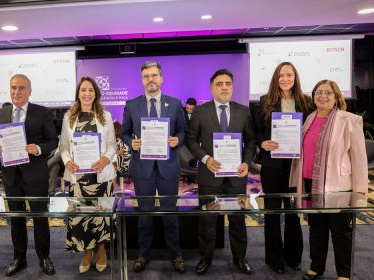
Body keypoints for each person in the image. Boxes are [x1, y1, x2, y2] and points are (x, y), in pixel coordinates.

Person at [289, 80, 369, 280]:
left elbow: (359, 159)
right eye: (318, 92)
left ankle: (343, 273)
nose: (322, 96)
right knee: (317, 230)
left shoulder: (349, 120)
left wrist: (360, 193)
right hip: (310, 184)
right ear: (313, 96)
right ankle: (317, 267)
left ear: (336, 97)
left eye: (328, 92)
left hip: (338, 187)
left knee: (340, 232)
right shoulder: (309, 118)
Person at [186, 68, 256, 275]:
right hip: (209, 175)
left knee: (237, 219)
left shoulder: (243, 111)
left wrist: (246, 161)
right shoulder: (200, 111)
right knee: (207, 220)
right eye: (219, 84)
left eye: (228, 84)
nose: (224, 87)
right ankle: (205, 259)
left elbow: (251, 140)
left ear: (232, 87)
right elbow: (191, 140)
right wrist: (205, 159)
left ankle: (240, 259)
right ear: (211, 88)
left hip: (237, 175)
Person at [0, 74, 58, 276]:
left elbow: (52, 142)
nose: (16, 92)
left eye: (21, 88)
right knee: (17, 218)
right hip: (11, 176)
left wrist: (37, 148)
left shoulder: (42, 112)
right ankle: (19, 258)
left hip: (35, 175)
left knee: (40, 218)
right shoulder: (1, 113)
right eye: (13, 88)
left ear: (29, 91)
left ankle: (44, 258)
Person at [121, 61, 187, 273]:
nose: (151, 79)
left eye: (154, 75)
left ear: (161, 78)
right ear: (142, 80)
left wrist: (177, 140)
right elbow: (125, 133)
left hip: (168, 167)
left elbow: (183, 132)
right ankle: (143, 254)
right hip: (143, 168)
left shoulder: (176, 104)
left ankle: (176, 254)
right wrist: (132, 143)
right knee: (145, 214)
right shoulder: (132, 105)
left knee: (170, 213)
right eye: (146, 76)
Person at [255, 62, 312, 273]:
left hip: (296, 165)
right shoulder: (264, 102)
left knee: (293, 212)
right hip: (272, 165)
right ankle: (275, 259)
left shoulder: (306, 102)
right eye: (281, 75)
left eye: (289, 75)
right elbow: (257, 131)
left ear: (295, 77)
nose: (285, 79)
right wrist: (263, 143)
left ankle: (293, 257)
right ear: (275, 79)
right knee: (272, 212)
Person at [60, 76, 117, 273]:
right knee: (81, 216)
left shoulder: (105, 116)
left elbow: (112, 145)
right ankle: (87, 251)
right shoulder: (69, 117)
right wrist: (67, 161)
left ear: (96, 94)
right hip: (78, 177)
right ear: (78, 93)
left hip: (100, 175)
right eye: (83, 90)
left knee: (101, 215)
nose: (87, 94)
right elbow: (63, 147)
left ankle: (101, 250)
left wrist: (105, 159)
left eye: (90, 90)